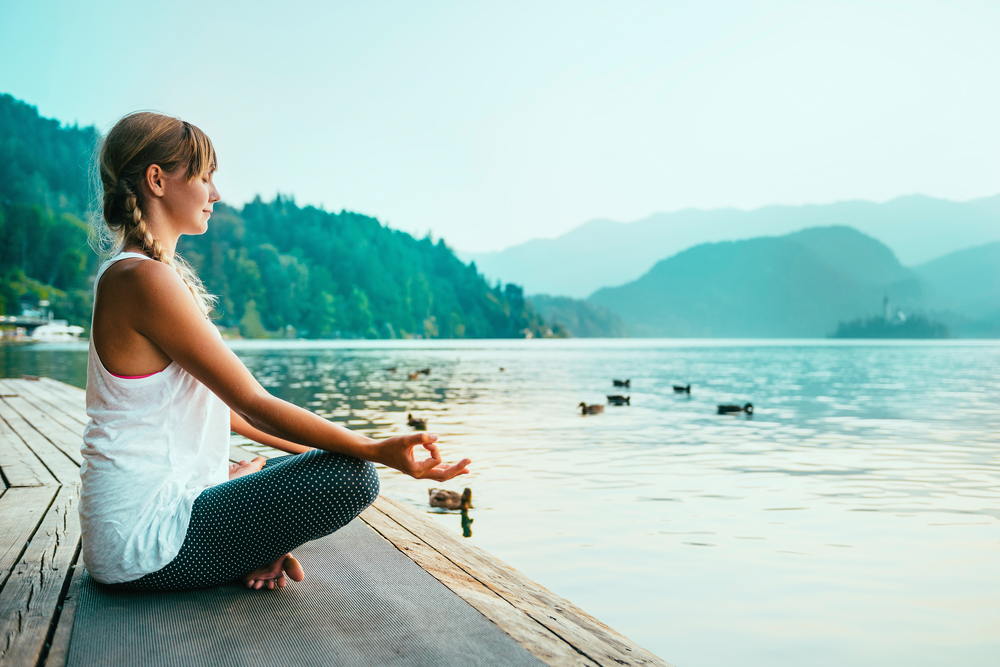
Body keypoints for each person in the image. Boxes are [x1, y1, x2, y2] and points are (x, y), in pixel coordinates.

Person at [81, 111, 470, 592]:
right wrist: (376, 450)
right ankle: (251, 544)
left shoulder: (140, 274)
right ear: (157, 180)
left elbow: (224, 414)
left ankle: (251, 534)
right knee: (354, 478)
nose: (216, 194)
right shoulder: (143, 278)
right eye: (204, 177)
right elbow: (253, 403)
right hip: (144, 545)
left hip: (148, 525)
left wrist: (305, 458)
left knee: (306, 463)